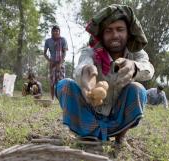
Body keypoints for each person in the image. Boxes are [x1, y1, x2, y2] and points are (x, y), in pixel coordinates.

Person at [55, 4, 154, 144]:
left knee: (138, 89)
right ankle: (87, 134)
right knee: (64, 85)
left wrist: (135, 67)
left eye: (120, 29)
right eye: (109, 30)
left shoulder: (135, 53)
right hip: (89, 114)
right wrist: (86, 74)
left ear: (128, 33)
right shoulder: (90, 52)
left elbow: (148, 68)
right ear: (102, 35)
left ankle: (120, 136)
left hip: (117, 119)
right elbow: (83, 64)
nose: (115, 35)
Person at [44, 25, 68, 101]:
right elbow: (44, 53)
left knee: (61, 82)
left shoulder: (63, 40)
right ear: (52, 32)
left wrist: (60, 64)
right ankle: (52, 98)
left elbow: (64, 53)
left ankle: (61, 98)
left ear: (59, 32)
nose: (55, 32)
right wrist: (49, 60)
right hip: (52, 64)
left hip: (61, 63)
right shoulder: (48, 41)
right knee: (52, 82)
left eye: (57, 31)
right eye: (54, 31)